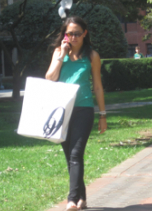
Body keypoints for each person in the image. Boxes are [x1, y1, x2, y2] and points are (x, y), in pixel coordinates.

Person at [45, 16, 107, 211]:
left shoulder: (92, 55)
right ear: (65, 35)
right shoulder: (58, 52)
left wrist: (103, 114)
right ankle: (82, 197)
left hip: (83, 108)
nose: (73, 37)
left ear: (84, 34)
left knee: (75, 153)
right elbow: (50, 77)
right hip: (61, 110)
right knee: (69, 157)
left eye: (77, 33)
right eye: (69, 33)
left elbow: (97, 86)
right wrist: (61, 54)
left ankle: (71, 199)